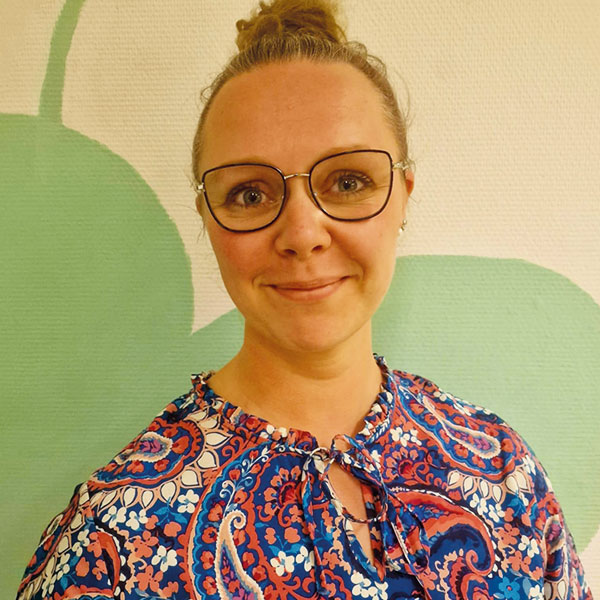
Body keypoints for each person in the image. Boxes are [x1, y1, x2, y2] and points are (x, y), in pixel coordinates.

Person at [17, 1, 591, 599]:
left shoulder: (503, 471)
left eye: (348, 182)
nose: (301, 234)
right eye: (250, 193)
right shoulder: (111, 536)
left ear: (402, 197)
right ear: (208, 218)